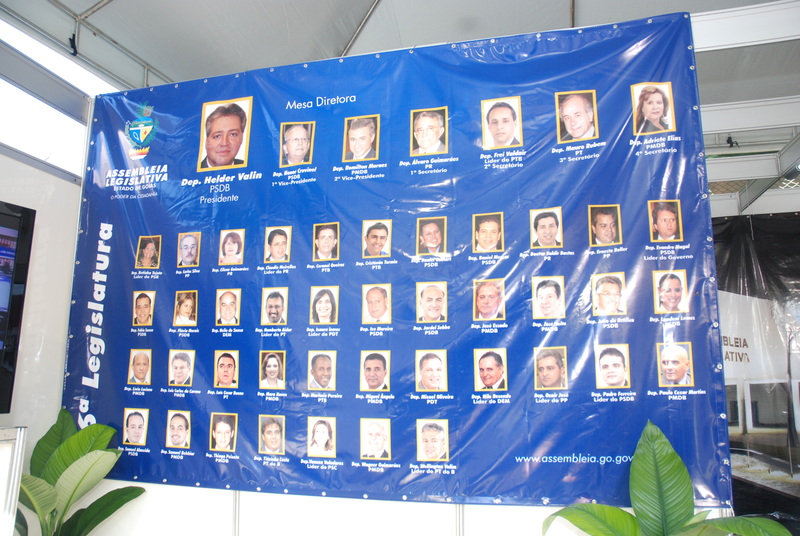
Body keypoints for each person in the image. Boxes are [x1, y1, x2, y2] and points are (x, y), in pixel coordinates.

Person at [200, 103, 246, 168]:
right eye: (217, 136)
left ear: (242, 138)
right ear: (206, 140)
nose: (224, 143)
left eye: (232, 134)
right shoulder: (189, 172)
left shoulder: (253, 168)